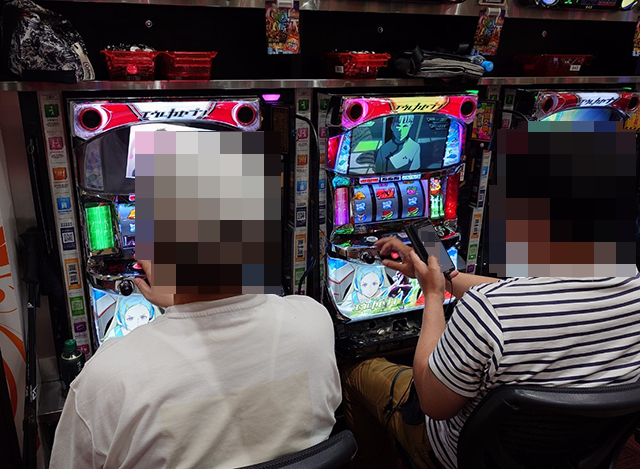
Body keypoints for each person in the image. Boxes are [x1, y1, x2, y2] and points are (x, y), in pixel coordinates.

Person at [341, 236, 640, 469]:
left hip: (468, 455)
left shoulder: (488, 310)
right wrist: (446, 278)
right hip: (577, 453)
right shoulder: (632, 282)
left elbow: (432, 404)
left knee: (356, 371)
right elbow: (529, 292)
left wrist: (433, 294)